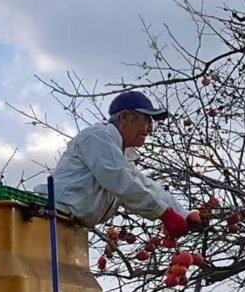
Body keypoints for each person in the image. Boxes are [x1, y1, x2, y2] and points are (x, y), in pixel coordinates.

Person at [47, 90, 191, 238]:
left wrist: (184, 214)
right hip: (49, 218)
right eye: (147, 120)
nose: (150, 129)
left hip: (69, 224)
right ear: (125, 117)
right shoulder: (97, 137)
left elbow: (147, 186)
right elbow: (121, 182)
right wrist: (165, 214)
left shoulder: (120, 157)